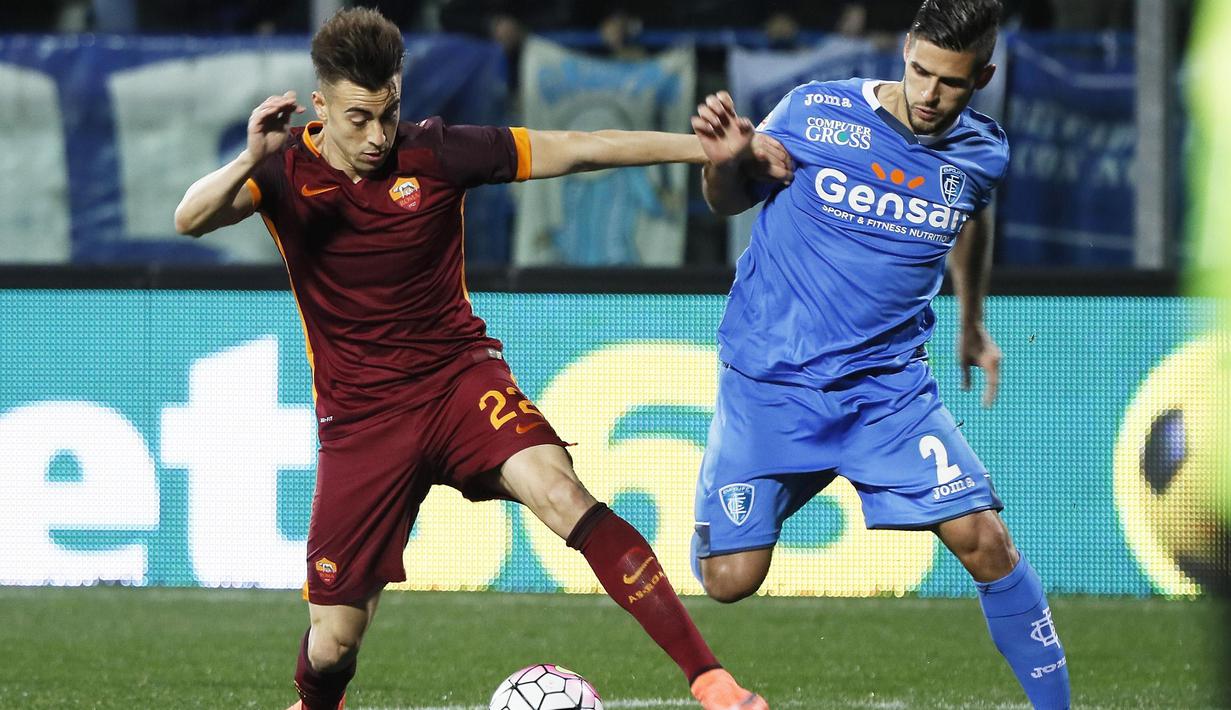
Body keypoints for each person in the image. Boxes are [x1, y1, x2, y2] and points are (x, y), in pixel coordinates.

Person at [173, 8, 788, 710]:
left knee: (563, 493)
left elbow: (582, 146)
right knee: (335, 640)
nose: (377, 136)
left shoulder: (437, 152)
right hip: (363, 421)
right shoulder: (282, 172)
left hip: (458, 382)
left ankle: (711, 681)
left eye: (388, 113)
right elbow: (188, 219)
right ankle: (316, 704)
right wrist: (251, 157)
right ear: (322, 105)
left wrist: (703, 152)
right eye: (358, 118)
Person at [688, 1, 1070, 708]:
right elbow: (727, 199)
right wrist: (727, 162)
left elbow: (967, 223)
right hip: (773, 383)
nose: (929, 94)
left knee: (985, 540)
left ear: (981, 77)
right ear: (903, 51)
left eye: (950, 83)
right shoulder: (814, 112)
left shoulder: (982, 153)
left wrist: (970, 322)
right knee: (727, 580)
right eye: (920, 71)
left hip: (885, 394)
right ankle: (764, 481)